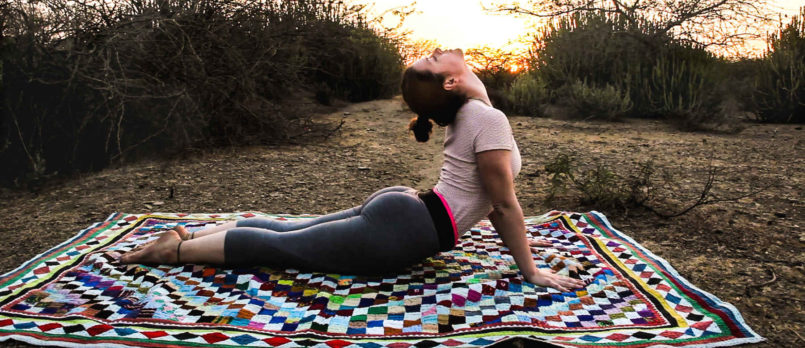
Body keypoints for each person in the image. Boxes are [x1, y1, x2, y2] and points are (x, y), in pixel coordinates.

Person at [120, 48, 585, 292]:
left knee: (293, 232)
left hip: (409, 213)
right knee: (286, 249)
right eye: (433, 58)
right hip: (406, 226)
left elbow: (475, 95)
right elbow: (502, 206)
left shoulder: (475, 113)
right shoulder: (484, 116)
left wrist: (458, 72)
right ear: (451, 81)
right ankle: (173, 252)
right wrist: (531, 271)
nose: (438, 50)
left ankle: (192, 237)